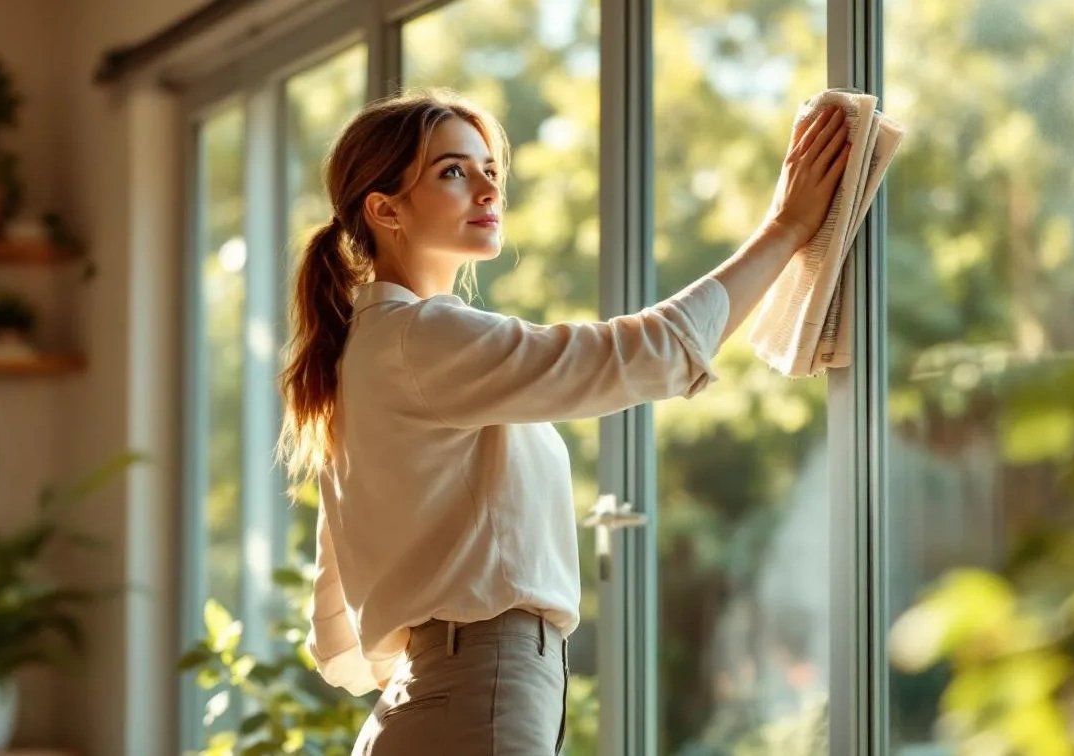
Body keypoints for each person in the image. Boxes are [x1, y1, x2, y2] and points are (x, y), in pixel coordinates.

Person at [277, 87, 849, 755]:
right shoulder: (419, 339)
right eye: (453, 172)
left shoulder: (367, 354)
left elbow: (336, 636)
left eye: (490, 169)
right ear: (384, 208)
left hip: (441, 699)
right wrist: (785, 228)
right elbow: (641, 353)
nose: (488, 190)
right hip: (473, 696)